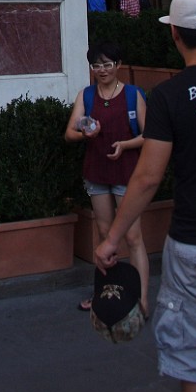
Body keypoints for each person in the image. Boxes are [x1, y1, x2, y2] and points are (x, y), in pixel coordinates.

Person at [95, 0, 196, 392]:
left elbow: (146, 178)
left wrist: (113, 237)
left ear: (175, 35)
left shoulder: (171, 96)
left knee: (195, 366)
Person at [65, 41, 148, 314]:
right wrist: (86, 134)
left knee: (133, 236)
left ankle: (141, 299)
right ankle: (106, 293)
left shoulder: (133, 95)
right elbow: (70, 133)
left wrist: (125, 145)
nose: (102, 70)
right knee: (104, 233)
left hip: (127, 172)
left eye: (107, 64)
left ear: (118, 65)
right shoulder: (86, 96)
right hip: (97, 171)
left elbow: (148, 136)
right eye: (96, 65)